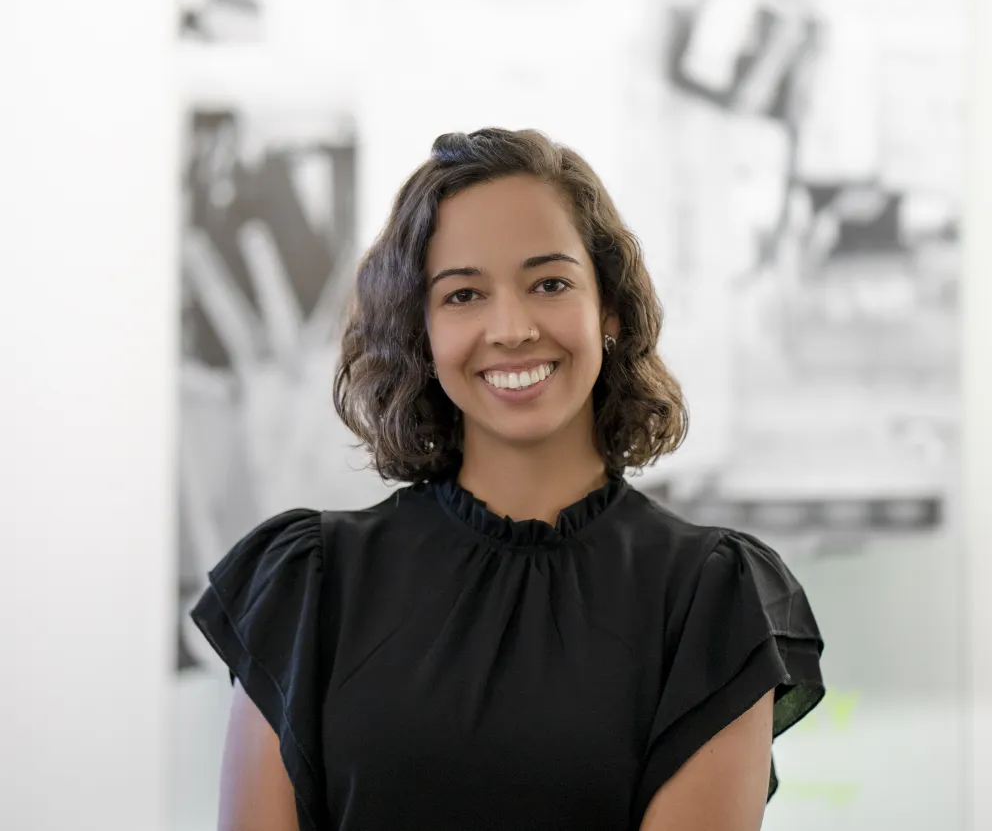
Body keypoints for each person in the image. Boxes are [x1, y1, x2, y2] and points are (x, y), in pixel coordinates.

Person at [190, 127, 826, 831]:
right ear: (420, 328)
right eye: (463, 295)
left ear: (608, 307)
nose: (512, 327)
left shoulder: (712, 597)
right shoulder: (307, 583)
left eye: (549, 283)